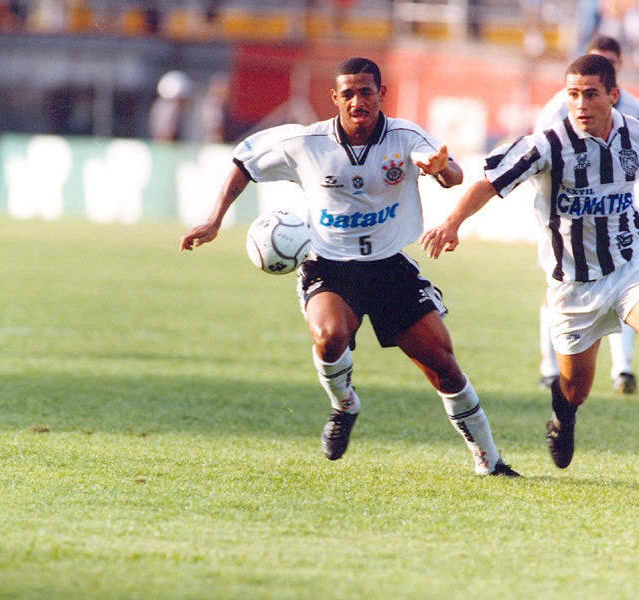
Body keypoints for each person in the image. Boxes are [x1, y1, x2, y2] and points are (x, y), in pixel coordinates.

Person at [421, 54, 639, 492]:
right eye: (572, 94)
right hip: (573, 284)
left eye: (590, 94)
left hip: (633, 263)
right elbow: (489, 182)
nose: (580, 104)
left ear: (614, 96)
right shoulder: (547, 145)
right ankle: (564, 415)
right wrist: (451, 222)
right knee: (576, 388)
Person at [180, 57, 519, 477]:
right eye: (349, 93)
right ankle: (344, 406)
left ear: (382, 94)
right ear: (335, 97)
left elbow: (450, 172)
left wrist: (441, 170)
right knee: (329, 336)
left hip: (390, 268)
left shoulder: (406, 136)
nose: (358, 100)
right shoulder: (307, 142)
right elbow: (243, 162)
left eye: (367, 92)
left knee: (445, 369)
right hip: (330, 268)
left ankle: (489, 460)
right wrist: (215, 220)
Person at [533, 35, 639, 395]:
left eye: (608, 61)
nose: (584, 101)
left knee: (629, 285)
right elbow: (535, 161)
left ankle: (622, 369)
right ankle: (550, 368)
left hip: (616, 217)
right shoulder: (557, 109)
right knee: (559, 290)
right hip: (567, 223)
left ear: (617, 70)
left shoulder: (635, 109)